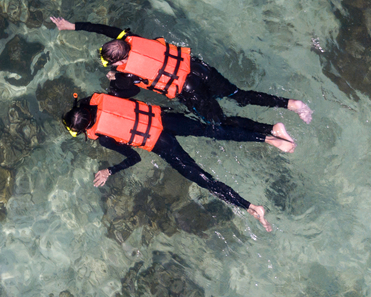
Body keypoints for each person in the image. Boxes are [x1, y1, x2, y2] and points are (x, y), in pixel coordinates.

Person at [62, 92, 295, 232]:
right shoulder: (94, 99)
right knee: (215, 130)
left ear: (84, 129)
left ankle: (252, 207)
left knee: (203, 178)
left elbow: (134, 157)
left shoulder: (102, 138)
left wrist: (110, 170)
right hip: (165, 117)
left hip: (161, 144)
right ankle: (269, 137)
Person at [50, 17, 313, 130]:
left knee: (219, 123)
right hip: (199, 69)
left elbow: (129, 93)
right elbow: (103, 29)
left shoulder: (126, 75)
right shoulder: (131, 39)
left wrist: (113, 82)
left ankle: (272, 129)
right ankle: (293, 105)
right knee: (239, 95)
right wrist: (72, 26)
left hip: (189, 91)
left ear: (119, 63)